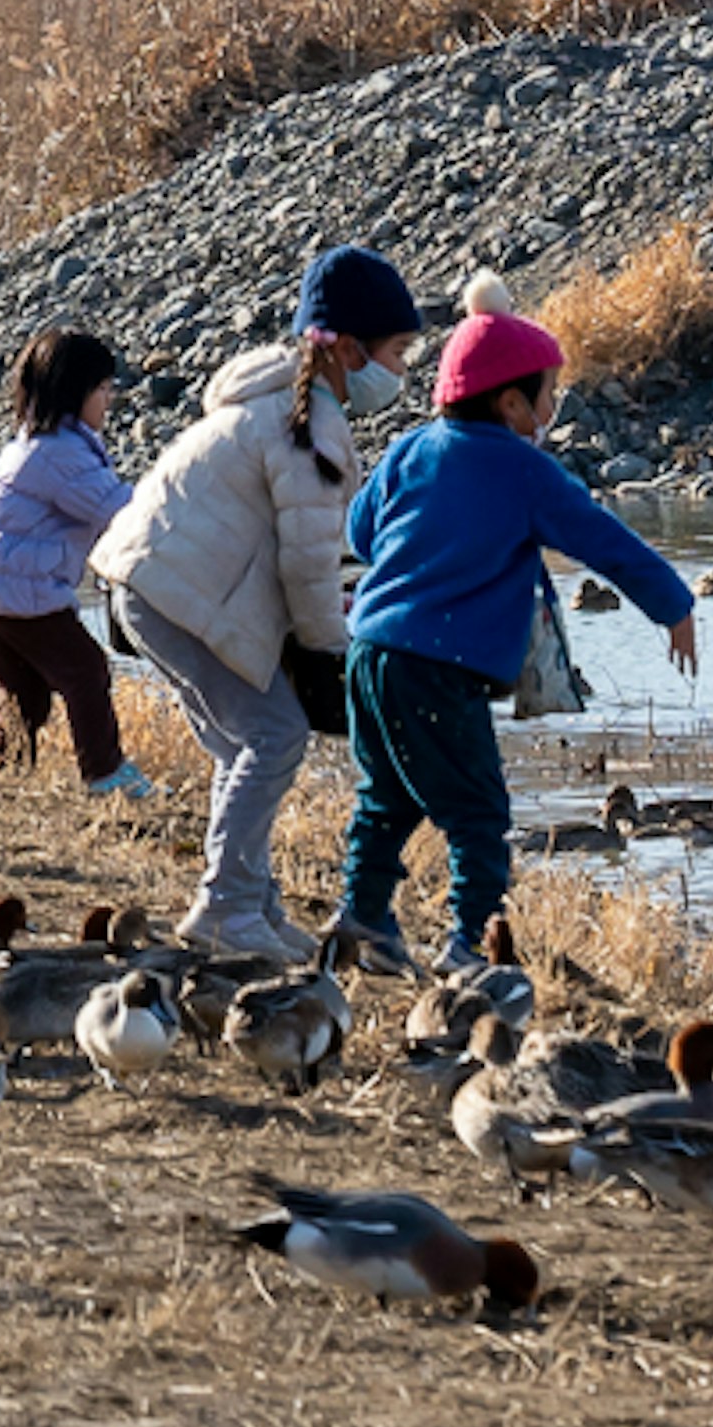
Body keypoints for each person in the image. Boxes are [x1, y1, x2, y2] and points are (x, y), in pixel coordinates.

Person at [338, 308, 697, 979]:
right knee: (478, 813)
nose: (553, 409)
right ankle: (475, 945)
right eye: (548, 396)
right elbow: (602, 541)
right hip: (438, 667)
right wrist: (673, 605)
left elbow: (361, 533)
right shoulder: (525, 472)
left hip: (367, 655)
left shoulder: (410, 449)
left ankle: (362, 917)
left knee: (385, 795)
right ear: (511, 403)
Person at [93, 246, 422, 960]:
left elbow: (303, 553)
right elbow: (307, 568)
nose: (403, 372)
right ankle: (226, 908)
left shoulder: (278, 401)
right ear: (347, 349)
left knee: (241, 744)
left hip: (147, 584)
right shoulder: (311, 428)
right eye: (397, 352)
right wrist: (337, 650)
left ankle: (255, 906)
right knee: (275, 736)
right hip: (172, 592)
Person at [0, 328, 148, 798]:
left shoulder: (33, 442)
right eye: (102, 390)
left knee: (25, 697)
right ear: (75, 393)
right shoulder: (63, 456)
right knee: (87, 671)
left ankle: (3, 776)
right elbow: (120, 513)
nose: (109, 400)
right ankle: (105, 774)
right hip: (24, 592)